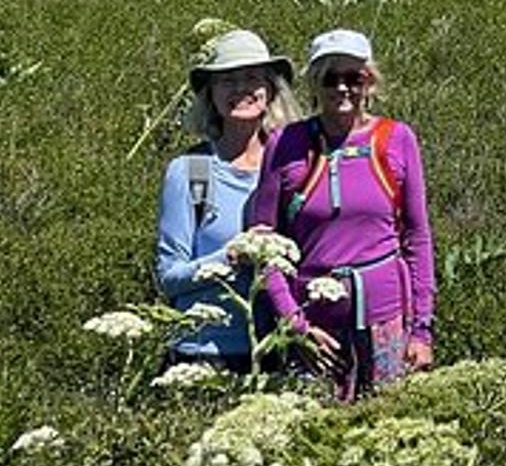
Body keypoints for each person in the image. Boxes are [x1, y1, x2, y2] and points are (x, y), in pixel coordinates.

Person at [248, 29, 436, 398]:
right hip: (315, 330)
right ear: (314, 84)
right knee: (314, 437)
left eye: (354, 77)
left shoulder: (397, 140)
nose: (343, 88)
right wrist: (294, 326)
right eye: (330, 78)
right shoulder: (285, 144)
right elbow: (263, 244)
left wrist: (422, 332)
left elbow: (417, 238)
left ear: (370, 81)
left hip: (388, 325)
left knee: (390, 432)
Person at [154, 29, 301, 373]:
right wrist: (231, 257)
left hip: (276, 351)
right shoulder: (191, 172)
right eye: (227, 81)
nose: (241, 89)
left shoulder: (293, 168)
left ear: (270, 91)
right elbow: (168, 277)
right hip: (202, 354)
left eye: (252, 78)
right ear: (211, 96)